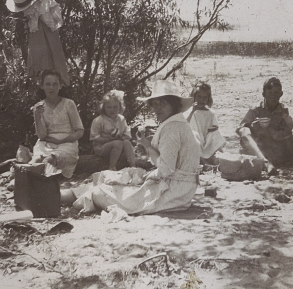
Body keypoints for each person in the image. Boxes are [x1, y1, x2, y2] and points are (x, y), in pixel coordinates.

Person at [69, 80, 201, 214]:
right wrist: (147, 145)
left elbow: (165, 169)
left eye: (163, 103)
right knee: (112, 177)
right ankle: (63, 196)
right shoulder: (174, 123)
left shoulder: (173, 128)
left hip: (173, 192)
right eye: (155, 104)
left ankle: (62, 197)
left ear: (174, 104)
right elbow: (166, 166)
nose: (157, 108)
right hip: (176, 187)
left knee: (100, 192)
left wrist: (148, 158)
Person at [6, 0, 71, 86]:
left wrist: (39, 20)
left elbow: (51, 24)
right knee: (38, 60)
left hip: (46, 35)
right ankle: (40, 85)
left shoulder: (42, 5)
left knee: (50, 59)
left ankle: (55, 84)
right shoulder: (32, 12)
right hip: (37, 37)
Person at [32, 70, 84, 178]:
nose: (51, 88)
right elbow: (42, 136)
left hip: (67, 144)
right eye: (48, 84)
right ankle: (26, 180)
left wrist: (61, 141)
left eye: (55, 84)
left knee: (51, 159)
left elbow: (80, 132)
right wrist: (37, 116)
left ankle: (44, 180)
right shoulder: (39, 106)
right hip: (46, 144)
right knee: (37, 159)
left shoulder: (69, 104)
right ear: (42, 86)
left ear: (60, 86)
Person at [237, 77, 293, 168]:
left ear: (281, 94)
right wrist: (254, 126)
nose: (273, 97)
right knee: (244, 132)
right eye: (269, 93)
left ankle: (267, 161)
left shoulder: (283, 109)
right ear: (263, 94)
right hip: (258, 141)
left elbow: (287, 129)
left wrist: (279, 134)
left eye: (276, 93)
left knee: (289, 144)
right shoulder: (256, 109)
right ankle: (265, 162)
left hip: (274, 143)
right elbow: (240, 129)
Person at [90, 90, 137, 170]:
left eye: (115, 107)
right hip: (102, 147)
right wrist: (109, 139)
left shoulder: (121, 119)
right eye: (109, 107)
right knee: (118, 143)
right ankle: (112, 167)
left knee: (126, 142)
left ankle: (133, 166)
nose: (112, 110)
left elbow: (127, 133)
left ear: (120, 107)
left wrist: (123, 137)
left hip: (119, 144)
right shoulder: (99, 120)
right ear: (103, 107)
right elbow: (95, 138)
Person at [184, 82, 225, 164]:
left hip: (206, 138)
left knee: (217, 135)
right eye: (199, 97)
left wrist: (213, 128)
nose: (201, 100)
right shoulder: (190, 111)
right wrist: (192, 111)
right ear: (194, 97)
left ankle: (212, 158)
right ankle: (202, 160)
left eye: (204, 97)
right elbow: (184, 124)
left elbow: (215, 126)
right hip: (195, 138)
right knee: (193, 138)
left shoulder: (210, 113)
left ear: (208, 99)